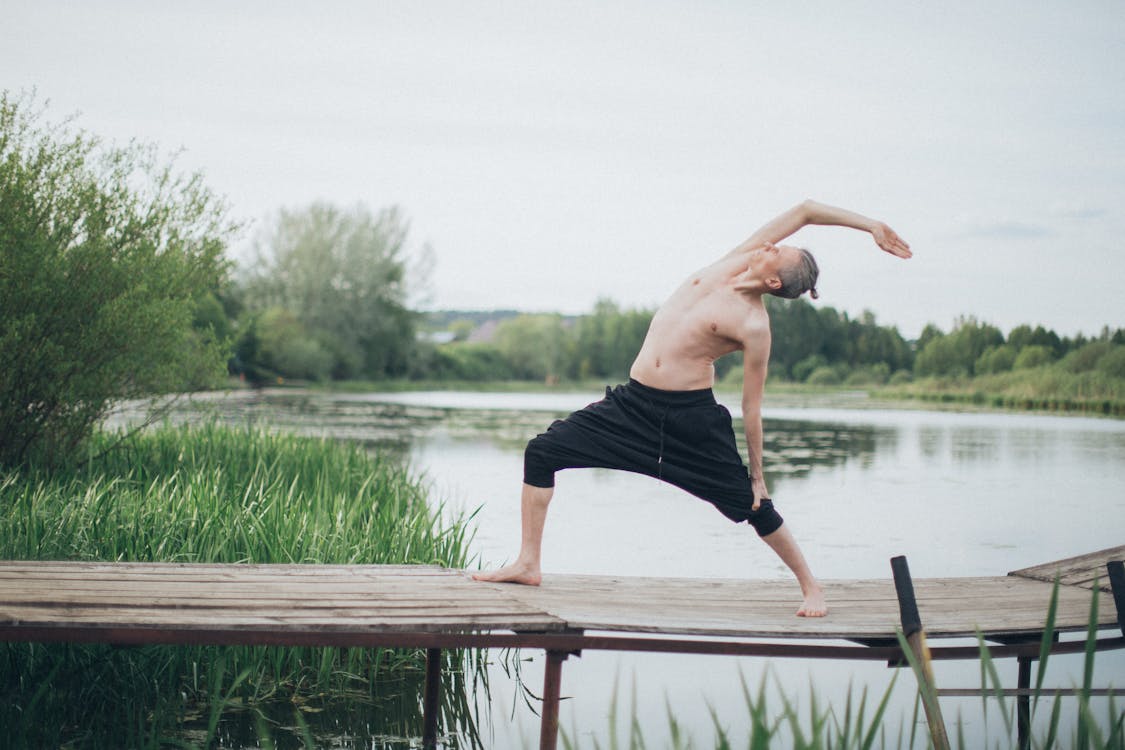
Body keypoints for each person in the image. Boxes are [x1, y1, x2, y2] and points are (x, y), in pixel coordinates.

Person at [472, 199, 911, 617]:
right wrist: (870, 225)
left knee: (750, 504)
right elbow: (806, 211)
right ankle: (529, 563)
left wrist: (759, 476)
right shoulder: (733, 260)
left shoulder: (754, 324)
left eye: (779, 252)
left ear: (774, 282)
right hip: (632, 405)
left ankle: (811, 585)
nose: (770, 245)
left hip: (690, 420)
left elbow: (752, 407)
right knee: (542, 451)